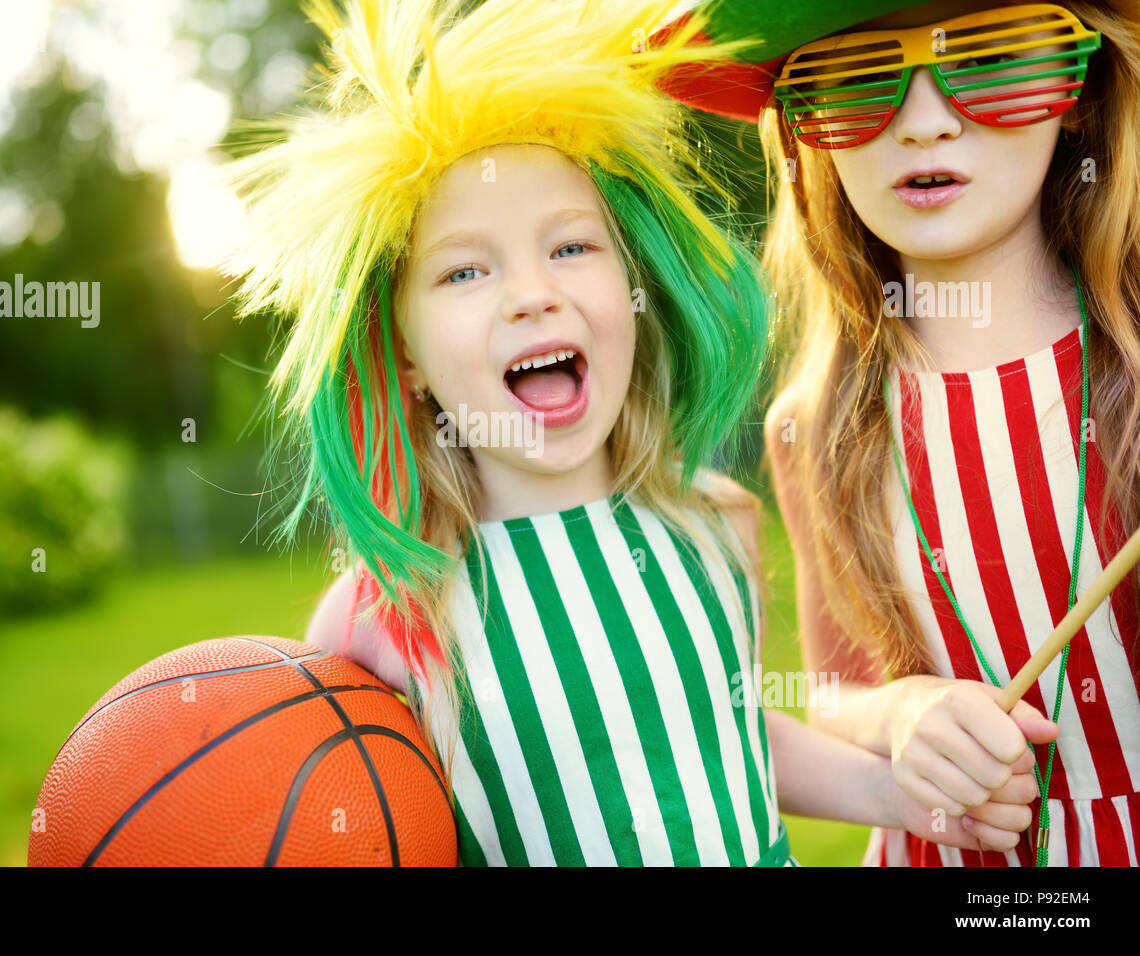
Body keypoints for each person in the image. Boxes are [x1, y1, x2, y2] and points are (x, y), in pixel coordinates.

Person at [225, 0, 1039, 865]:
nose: (533, 294)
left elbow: (724, 740)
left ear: (634, 291)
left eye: (572, 248)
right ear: (405, 354)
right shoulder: (381, 617)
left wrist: (894, 794)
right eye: (465, 269)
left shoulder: (714, 525)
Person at [662, 0, 1140, 865]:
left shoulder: (1132, 365)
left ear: (1077, 83)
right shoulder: (818, 423)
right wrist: (902, 712)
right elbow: (830, 689)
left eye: (990, 56)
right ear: (808, 132)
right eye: (858, 78)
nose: (923, 122)